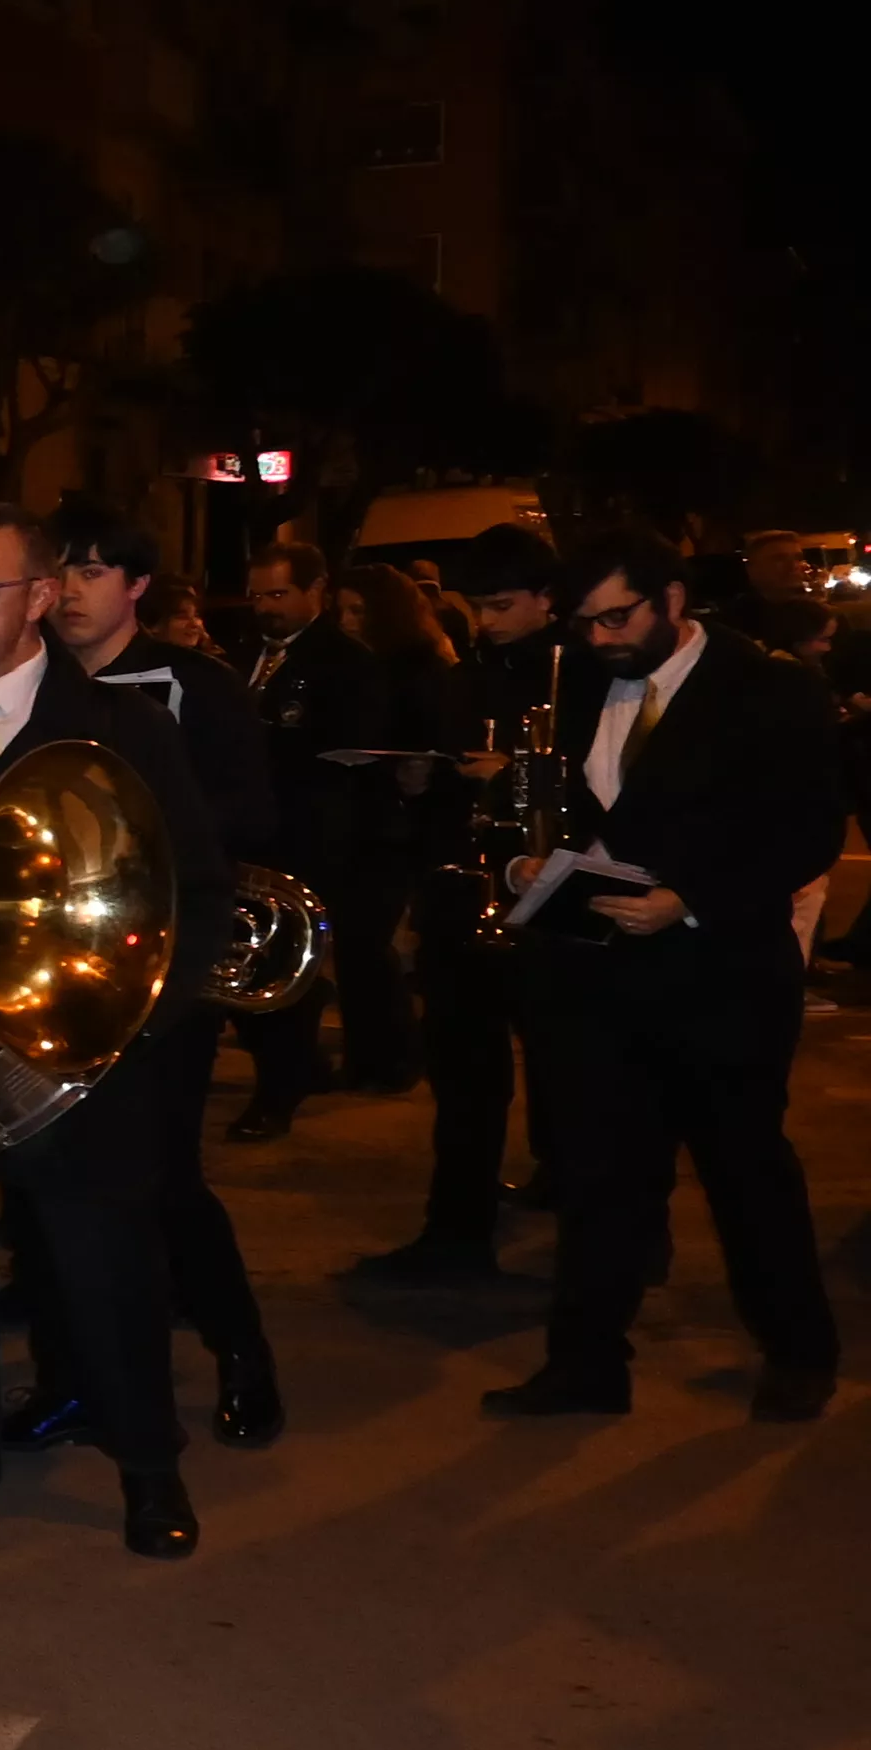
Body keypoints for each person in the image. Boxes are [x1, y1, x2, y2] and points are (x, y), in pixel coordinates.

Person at [0, 502, 230, 1577]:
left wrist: (130, 1030)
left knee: (104, 1265)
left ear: (42, 597)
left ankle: (147, 1465)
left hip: (79, 1050)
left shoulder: (123, 727)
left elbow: (191, 894)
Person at [481, 534, 844, 1422]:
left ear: (673, 598)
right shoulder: (577, 683)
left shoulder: (770, 689)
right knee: (602, 1175)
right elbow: (576, 809)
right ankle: (586, 1365)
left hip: (721, 971)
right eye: (585, 622)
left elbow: (808, 833)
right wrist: (533, 870)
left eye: (619, 616)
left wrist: (688, 900)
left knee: (745, 1169)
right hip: (597, 971)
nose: (602, 637)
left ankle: (798, 1350)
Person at [24, 505, 281, 1450]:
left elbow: (250, 813)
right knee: (42, 1177)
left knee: (166, 1180)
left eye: (98, 572)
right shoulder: (24, 685)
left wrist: (126, 829)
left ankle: (241, 1351)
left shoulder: (196, 689)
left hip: (159, 964)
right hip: (45, 970)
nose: (77, 590)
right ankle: (71, 1380)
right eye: (65, 571)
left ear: (138, 588)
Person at [360, 528, 559, 1279]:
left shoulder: (577, 681)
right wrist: (423, 783)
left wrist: (514, 778)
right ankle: (456, 1231)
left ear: (547, 600)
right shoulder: (461, 679)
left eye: (503, 605)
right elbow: (442, 784)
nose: (487, 622)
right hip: (459, 897)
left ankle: (588, 1218)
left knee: (566, 1075)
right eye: (478, 606)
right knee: (466, 1080)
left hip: (546, 907)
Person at [231, 540, 402, 1133]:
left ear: (315, 592)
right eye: (257, 595)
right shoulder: (246, 651)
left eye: (279, 594)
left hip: (306, 834)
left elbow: (346, 753)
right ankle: (288, 1064)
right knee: (244, 964)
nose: (265, 607)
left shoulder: (345, 662)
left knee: (284, 966)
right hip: (247, 830)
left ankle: (281, 1088)